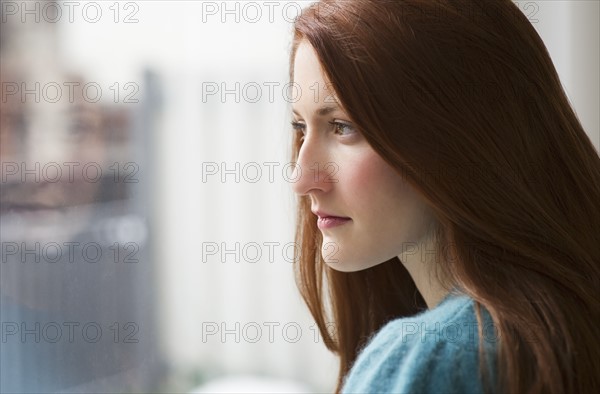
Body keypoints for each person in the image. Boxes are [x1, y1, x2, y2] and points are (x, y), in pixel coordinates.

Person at [287, 0, 600, 393]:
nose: (301, 178)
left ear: (455, 137)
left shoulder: (429, 359)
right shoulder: (569, 322)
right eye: (300, 127)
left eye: (343, 126)